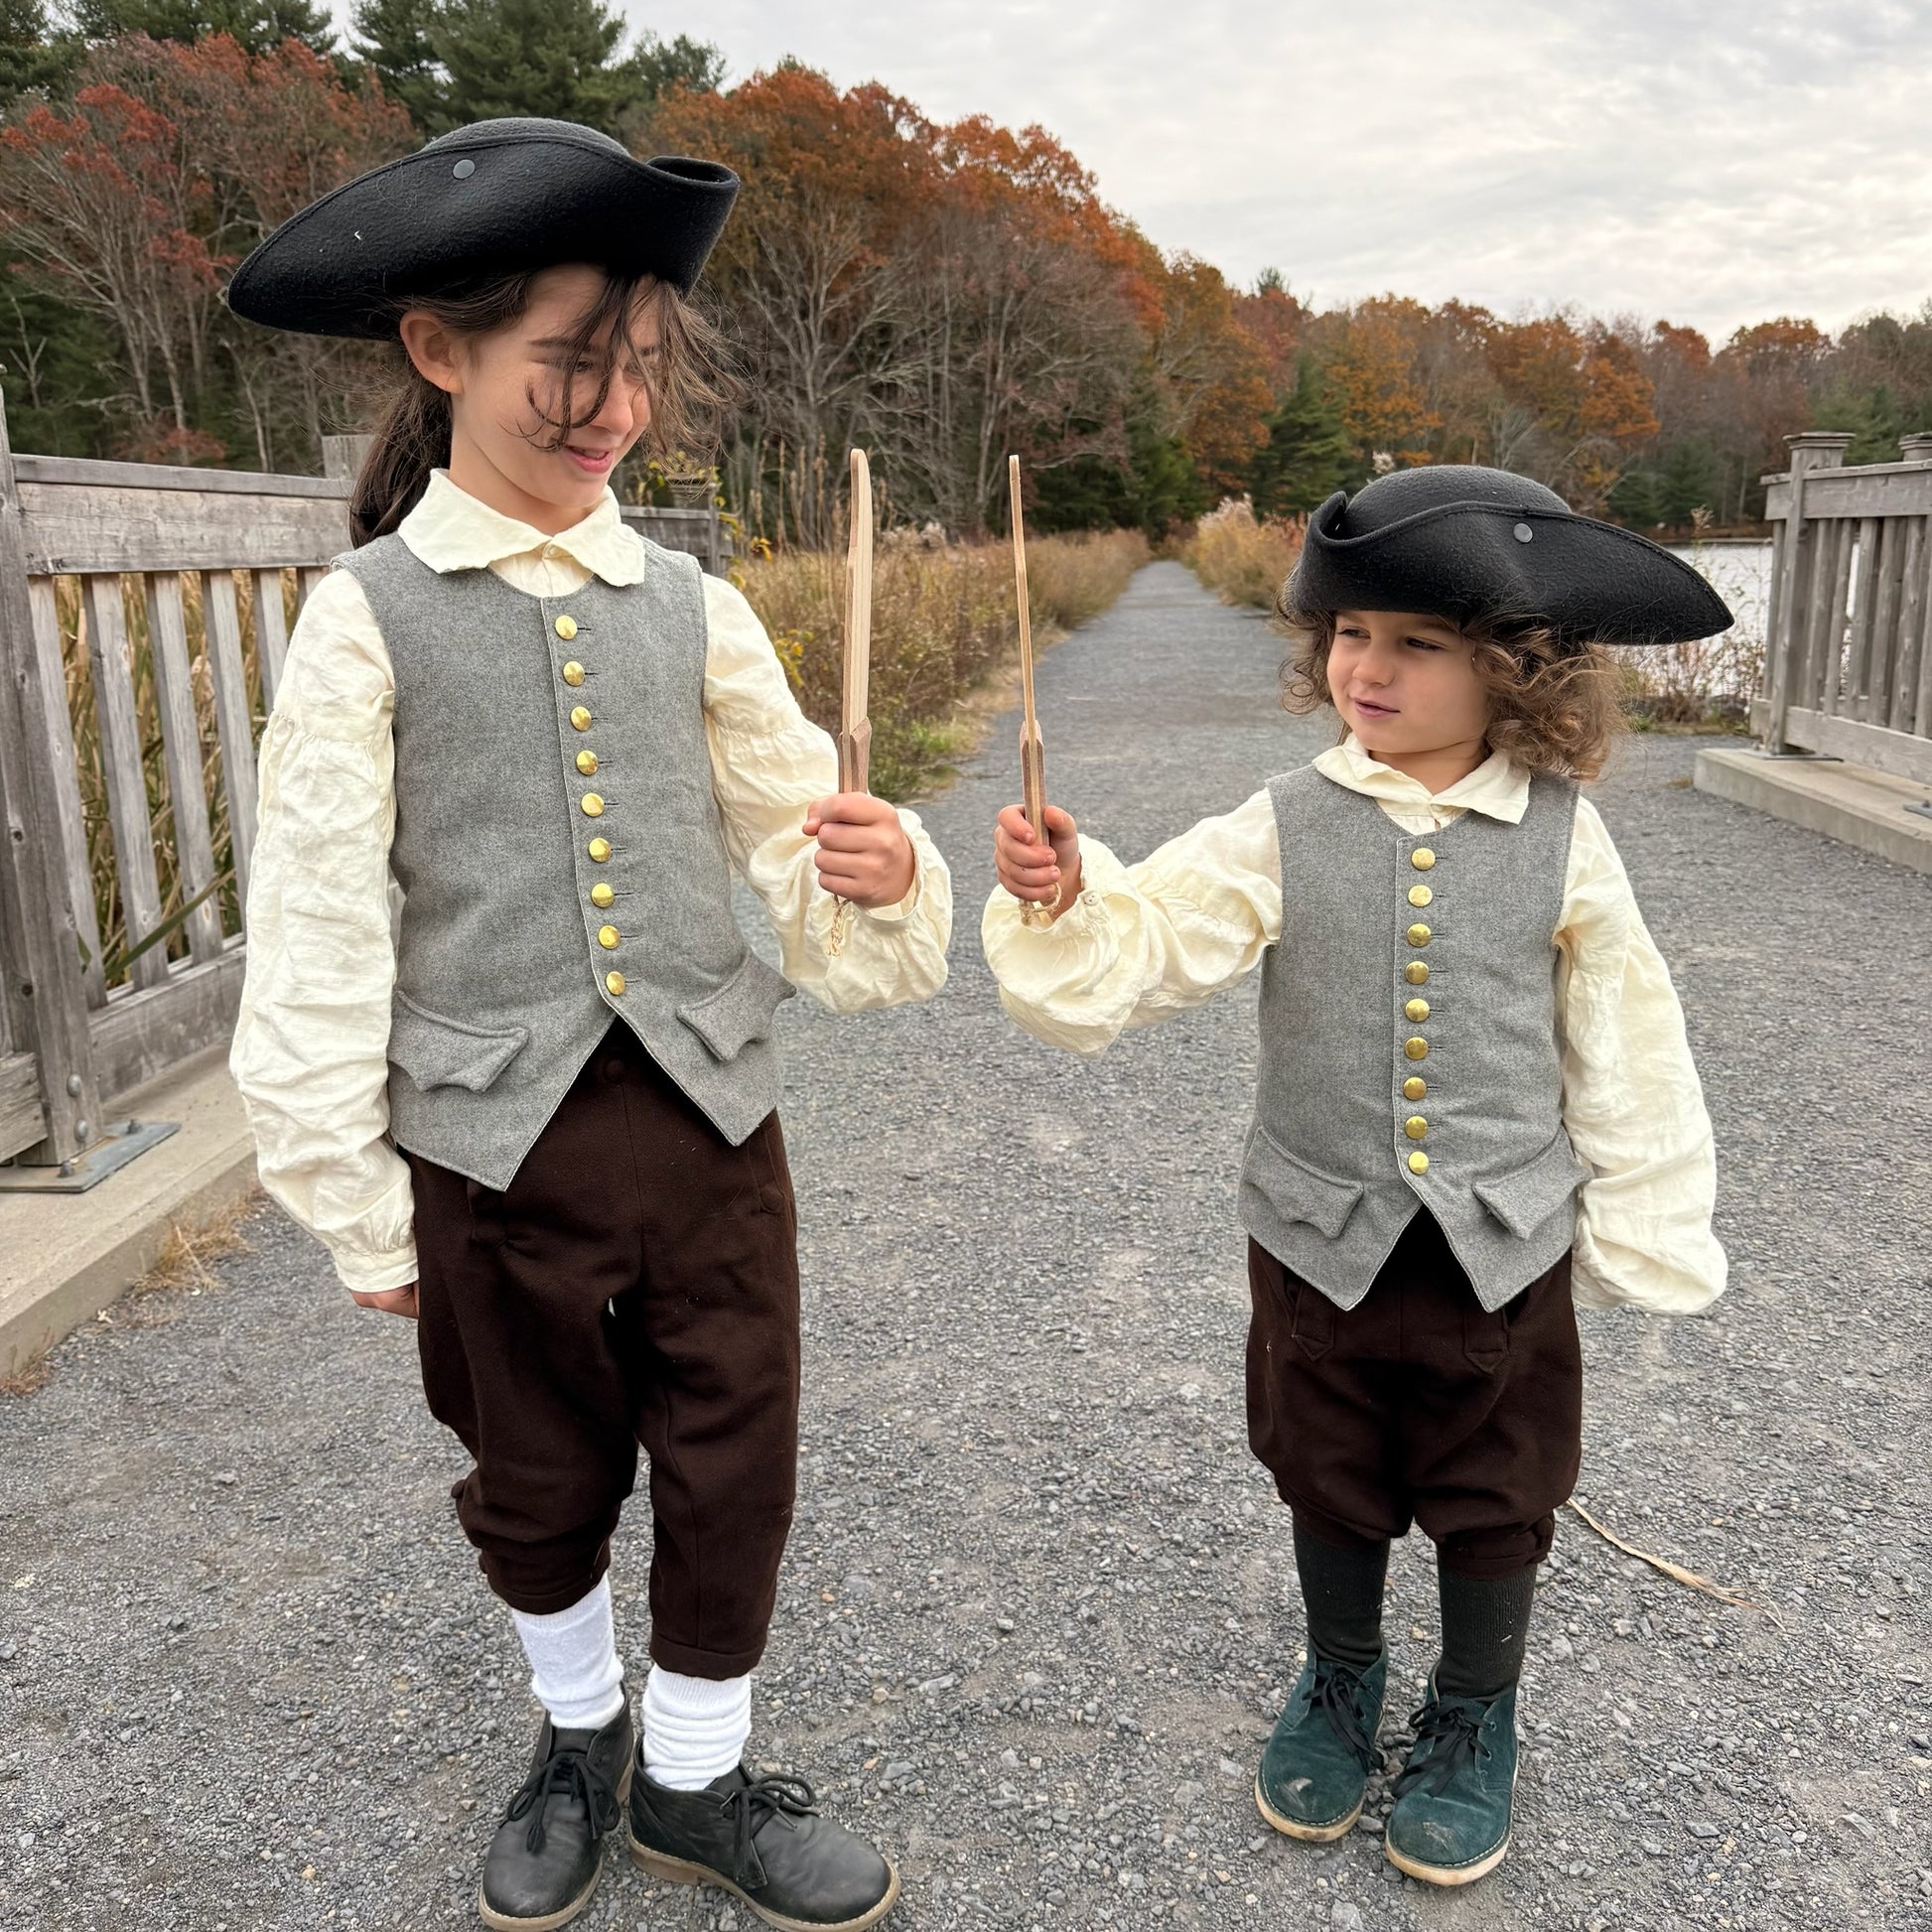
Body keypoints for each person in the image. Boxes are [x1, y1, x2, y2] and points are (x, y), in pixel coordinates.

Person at [227, 117, 948, 1931]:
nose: (607, 403)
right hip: (491, 1149)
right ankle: (576, 1736)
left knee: (737, 1450)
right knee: (534, 1471)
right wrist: (355, 1197)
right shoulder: (366, 617)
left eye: (636, 365)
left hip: (711, 1136)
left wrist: (868, 868)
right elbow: (315, 923)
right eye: (568, 358)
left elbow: (790, 841)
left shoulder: (690, 606)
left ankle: (696, 1777)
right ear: (437, 348)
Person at [982, 465, 1728, 1887]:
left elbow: (1626, 1030)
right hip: (1317, 1231)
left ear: (1512, 673)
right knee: (1325, 1463)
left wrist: (1643, 1210)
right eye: (1348, 634)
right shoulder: (1284, 818)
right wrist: (1070, 893)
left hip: (1498, 1240)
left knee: (1494, 1477)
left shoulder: (1567, 839)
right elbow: (1158, 934)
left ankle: (1472, 1710)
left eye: (1415, 643)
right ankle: (1337, 1676)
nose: (1365, 668)